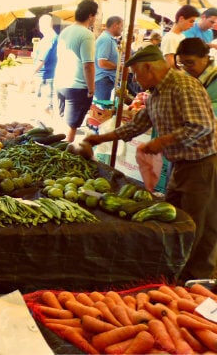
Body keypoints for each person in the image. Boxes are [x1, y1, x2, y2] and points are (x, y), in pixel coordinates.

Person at [83, 45, 217, 281]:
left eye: (135, 73)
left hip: (202, 164)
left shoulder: (183, 85)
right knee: (176, 218)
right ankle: (174, 271)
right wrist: (99, 138)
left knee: (196, 224)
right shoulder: (157, 93)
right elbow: (136, 126)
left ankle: (192, 278)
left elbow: (201, 126)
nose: (134, 79)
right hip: (181, 165)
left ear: (148, 67)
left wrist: (162, 141)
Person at [54, 0, 98, 142]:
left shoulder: (65, 31)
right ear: (91, 16)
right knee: (70, 127)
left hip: (61, 82)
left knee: (61, 123)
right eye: (95, 16)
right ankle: (62, 157)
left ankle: (56, 153)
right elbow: (88, 65)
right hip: (77, 86)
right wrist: (91, 88)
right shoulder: (87, 35)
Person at [176, 37, 217, 115]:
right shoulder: (184, 78)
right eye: (182, 63)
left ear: (205, 58)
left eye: (190, 62)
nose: (185, 67)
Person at [31, 14, 58, 113]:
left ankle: (49, 127)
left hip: (45, 77)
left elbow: (42, 60)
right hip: (47, 76)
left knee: (45, 107)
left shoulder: (49, 38)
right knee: (44, 106)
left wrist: (30, 75)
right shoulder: (53, 37)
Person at [94, 16, 123, 101]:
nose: (122, 29)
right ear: (115, 25)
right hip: (103, 81)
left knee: (106, 111)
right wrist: (119, 67)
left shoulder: (110, 39)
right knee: (103, 111)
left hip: (106, 81)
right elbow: (102, 63)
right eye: (121, 26)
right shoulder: (106, 39)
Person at [161, 4, 200, 69]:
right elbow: (171, 64)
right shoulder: (170, 38)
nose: (192, 25)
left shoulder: (181, 36)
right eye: (191, 21)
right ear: (181, 19)